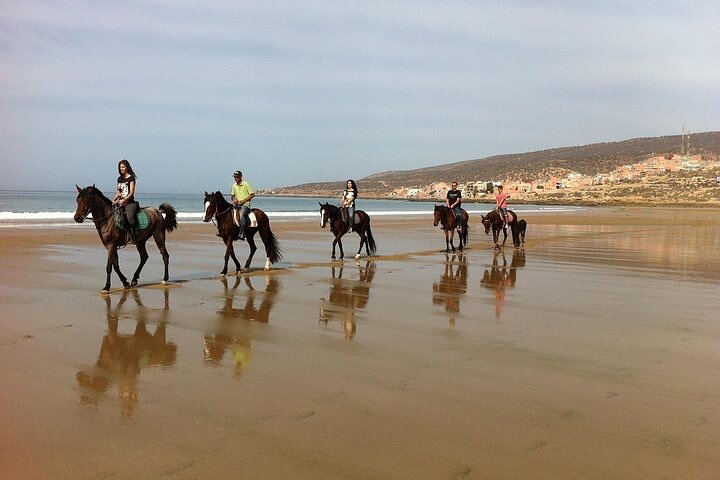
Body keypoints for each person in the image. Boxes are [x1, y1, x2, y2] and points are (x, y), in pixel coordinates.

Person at [111, 159, 138, 243]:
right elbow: (119, 192)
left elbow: (131, 193)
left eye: (123, 167)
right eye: (120, 167)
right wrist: (114, 199)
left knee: (129, 217)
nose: (121, 168)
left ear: (127, 167)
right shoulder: (119, 179)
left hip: (130, 202)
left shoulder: (131, 178)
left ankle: (134, 236)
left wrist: (124, 201)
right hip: (120, 201)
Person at [230, 170, 254, 240]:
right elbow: (232, 195)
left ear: (241, 177)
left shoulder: (245, 184)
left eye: (237, 177)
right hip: (237, 205)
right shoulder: (234, 185)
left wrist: (243, 201)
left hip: (246, 205)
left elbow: (252, 194)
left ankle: (243, 233)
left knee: (241, 215)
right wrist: (234, 200)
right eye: (234, 177)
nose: (235, 178)